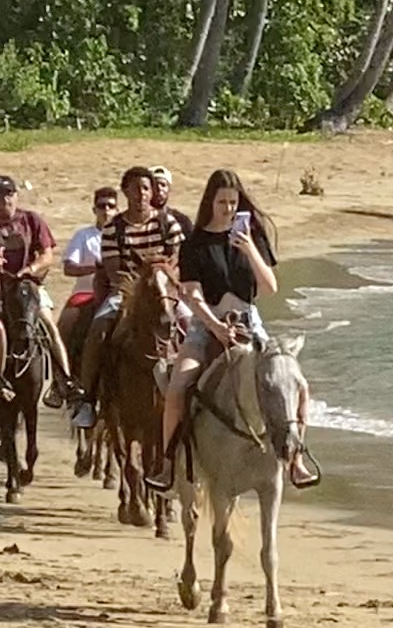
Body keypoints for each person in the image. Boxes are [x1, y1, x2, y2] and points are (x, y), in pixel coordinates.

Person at [144, 169, 317, 492]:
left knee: (295, 383)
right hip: (206, 326)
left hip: (250, 324)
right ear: (210, 202)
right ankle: (167, 463)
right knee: (178, 386)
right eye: (222, 201)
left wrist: (249, 248)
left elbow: (269, 288)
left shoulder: (253, 236)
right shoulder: (195, 242)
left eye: (233, 202)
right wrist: (215, 327)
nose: (227, 208)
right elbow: (192, 294)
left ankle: (296, 458)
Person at [73, 166, 184, 430]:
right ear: (125, 192)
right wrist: (137, 289)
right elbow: (113, 269)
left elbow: (176, 258)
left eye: (145, 188)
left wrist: (163, 279)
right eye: (135, 188)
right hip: (128, 290)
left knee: (191, 324)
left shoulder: (167, 223)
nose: (141, 194)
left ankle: (195, 391)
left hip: (164, 288)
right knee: (99, 327)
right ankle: (88, 398)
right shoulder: (114, 229)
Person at [0, 173, 81, 406]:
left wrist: (30, 269)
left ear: (16, 196)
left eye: (9, 194)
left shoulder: (31, 220)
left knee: (48, 324)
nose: (5, 200)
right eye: (0, 196)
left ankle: (64, 380)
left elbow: (47, 255)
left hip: (27, 286)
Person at [58, 186, 117, 370]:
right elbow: (69, 267)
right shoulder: (83, 235)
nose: (106, 210)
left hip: (117, 292)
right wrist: (98, 269)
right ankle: (62, 370)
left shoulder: (122, 235)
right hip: (86, 292)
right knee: (66, 324)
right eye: (102, 206)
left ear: (116, 209)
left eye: (110, 206)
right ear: (94, 209)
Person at [148, 164, 193, 239]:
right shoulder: (138, 220)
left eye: (163, 185)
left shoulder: (181, 221)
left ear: (169, 189)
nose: (159, 189)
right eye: (154, 185)